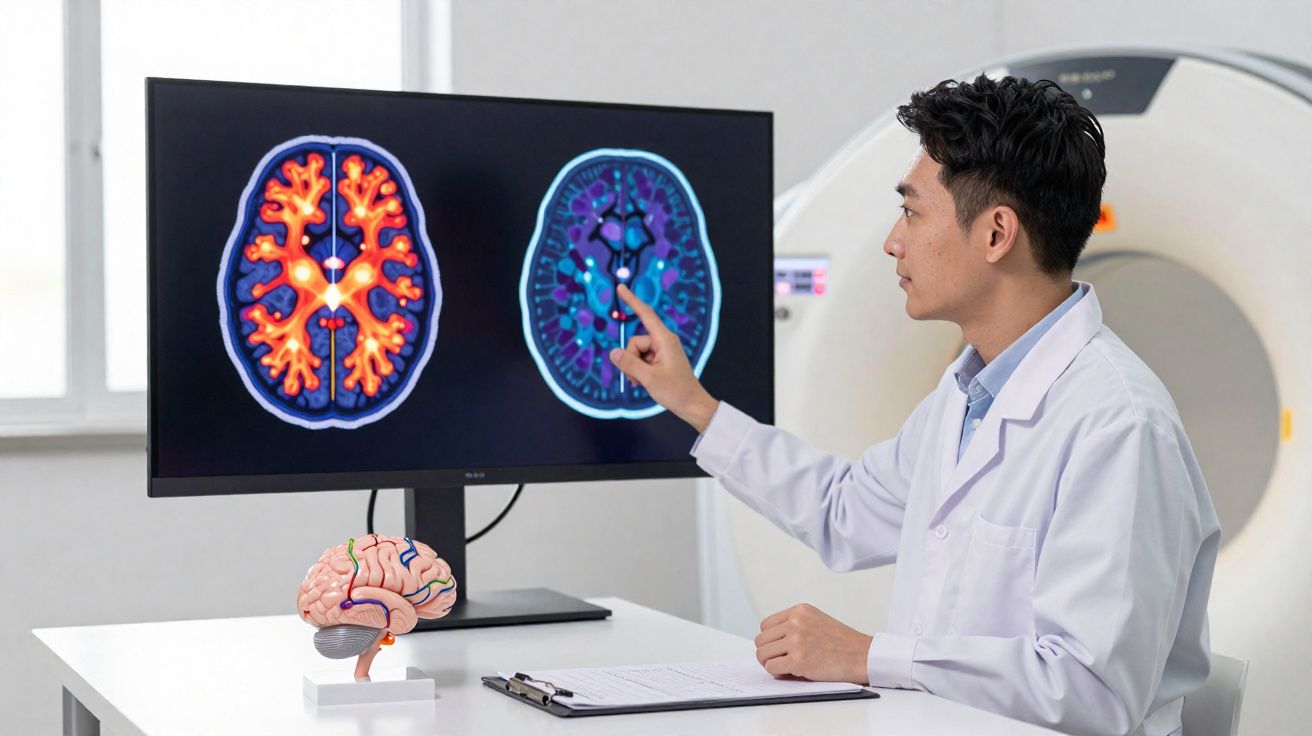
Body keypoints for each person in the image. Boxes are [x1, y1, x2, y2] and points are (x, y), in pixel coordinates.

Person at [607, 74, 1220, 736]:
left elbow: (1092, 691)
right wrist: (694, 403)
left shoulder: (1119, 425)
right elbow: (844, 513)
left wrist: (868, 656)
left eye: (912, 211)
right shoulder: (965, 398)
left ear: (996, 234)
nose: (892, 242)